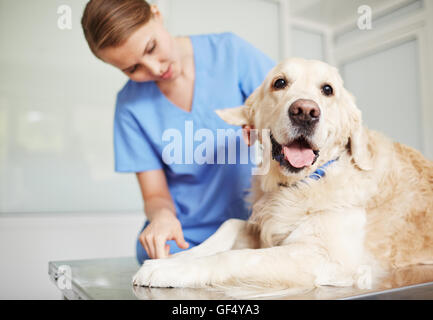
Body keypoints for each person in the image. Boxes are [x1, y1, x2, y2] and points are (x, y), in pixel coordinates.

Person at [81, 0, 275, 264]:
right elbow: (155, 194)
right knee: (160, 263)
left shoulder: (231, 53)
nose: (155, 68)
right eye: (132, 68)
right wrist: (161, 218)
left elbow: (286, 107)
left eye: (151, 47)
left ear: (156, 13)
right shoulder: (129, 107)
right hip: (184, 238)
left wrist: (265, 128)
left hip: (251, 224)